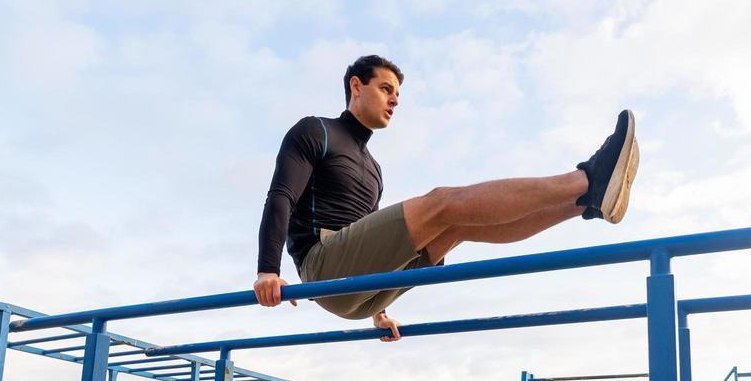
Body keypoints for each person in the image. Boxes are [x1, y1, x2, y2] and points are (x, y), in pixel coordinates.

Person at [254, 54, 638, 339]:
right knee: (441, 203)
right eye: (386, 89)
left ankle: (585, 204)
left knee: (455, 227)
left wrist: (379, 314)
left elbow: (373, 245)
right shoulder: (315, 131)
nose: (395, 100)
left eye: (398, 93)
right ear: (356, 86)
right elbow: (281, 197)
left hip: (362, 294)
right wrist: (268, 270)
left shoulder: (373, 169)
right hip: (323, 271)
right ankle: (586, 179)